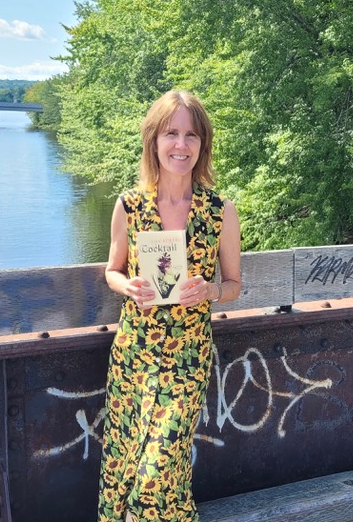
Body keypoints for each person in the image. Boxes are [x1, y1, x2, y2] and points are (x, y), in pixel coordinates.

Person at [98, 89, 241, 522]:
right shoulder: (130, 205)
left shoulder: (221, 211)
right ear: (154, 141)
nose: (181, 145)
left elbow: (233, 284)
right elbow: (112, 270)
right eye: (171, 133)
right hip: (134, 355)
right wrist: (130, 288)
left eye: (191, 135)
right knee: (124, 464)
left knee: (158, 470)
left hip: (187, 360)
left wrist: (210, 291)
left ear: (203, 145)